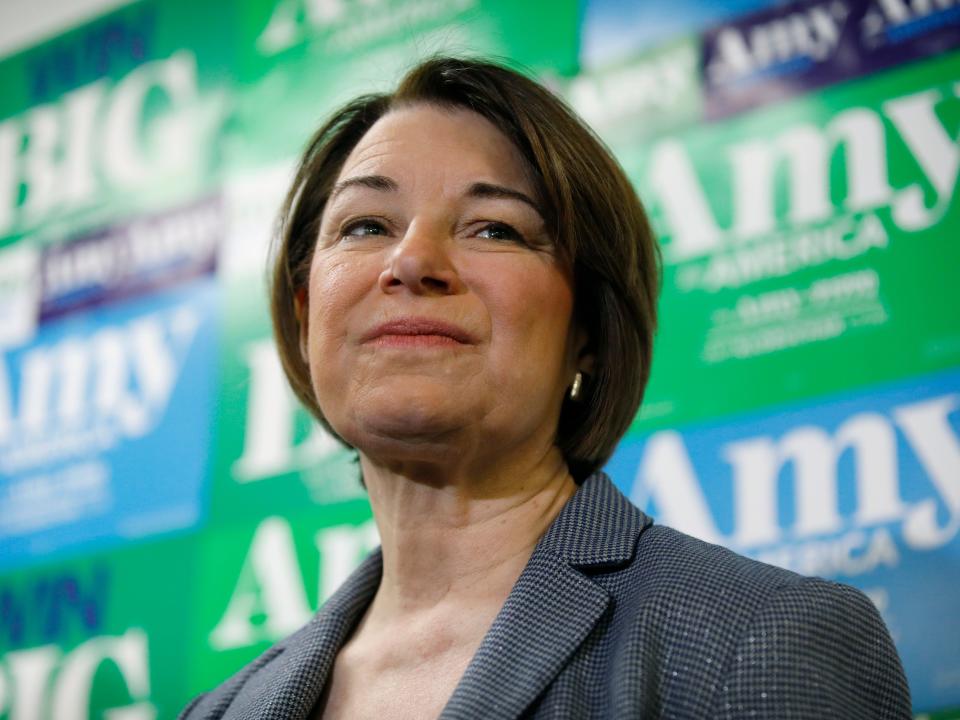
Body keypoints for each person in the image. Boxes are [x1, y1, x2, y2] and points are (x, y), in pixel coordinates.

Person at [181, 57, 911, 719]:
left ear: (587, 330)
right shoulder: (220, 711)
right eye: (367, 225)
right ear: (307, 312)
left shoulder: (760, 639)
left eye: (494, 230)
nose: (410, 262)